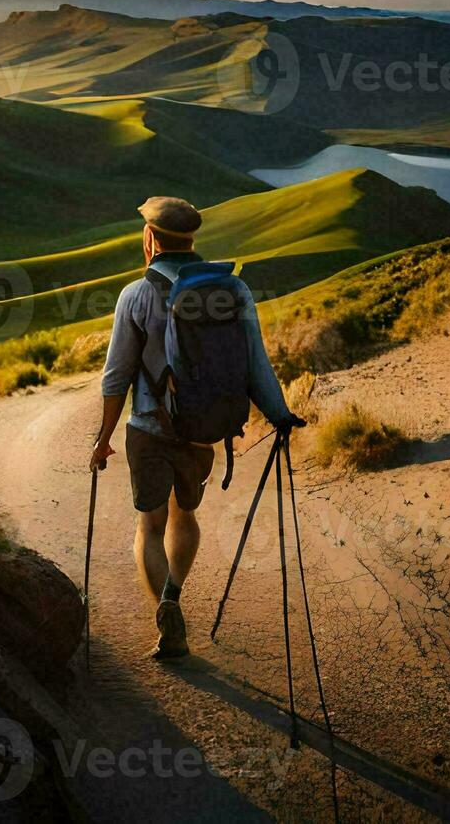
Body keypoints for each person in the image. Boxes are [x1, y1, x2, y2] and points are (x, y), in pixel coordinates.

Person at [89, 196, 302, 660]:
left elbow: (116, 376)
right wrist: (280, 414)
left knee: (150, 524)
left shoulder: (136, 294)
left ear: (150, 239)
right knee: (184, 516)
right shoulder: (234, 290)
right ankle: (174, 594)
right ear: (191, 239)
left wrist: (103, 439)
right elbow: (255, 362)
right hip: (203, 430)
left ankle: (165, 618)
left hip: (148, 427)